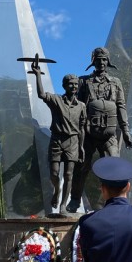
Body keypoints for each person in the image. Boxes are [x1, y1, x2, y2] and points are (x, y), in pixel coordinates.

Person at [68, 47, 132, 213]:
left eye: (104, 59)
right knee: (82, 166)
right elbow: (76, 106)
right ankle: (74, 200)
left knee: (115, 166)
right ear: (93, 62)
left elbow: (121, 106)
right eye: (98, 59)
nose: (101, 63)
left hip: (109, 133)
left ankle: (114, 203)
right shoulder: (84, 81)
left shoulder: (115, 82)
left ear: (108, 61)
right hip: (88, 132)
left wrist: (125, 130)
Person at [32, 63, 86, 210]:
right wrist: (38, 75)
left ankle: (63, 204)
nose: (73, 87)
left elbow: (81, 128)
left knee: (69, 174)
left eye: (76, 85)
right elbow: (41, 94)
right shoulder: (56, 100)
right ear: (64, 85)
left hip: (73, 141)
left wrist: (81, 147)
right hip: (57, 140)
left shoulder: (81, 106)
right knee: (54, 174)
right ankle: (57, 190)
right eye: (70, 84)